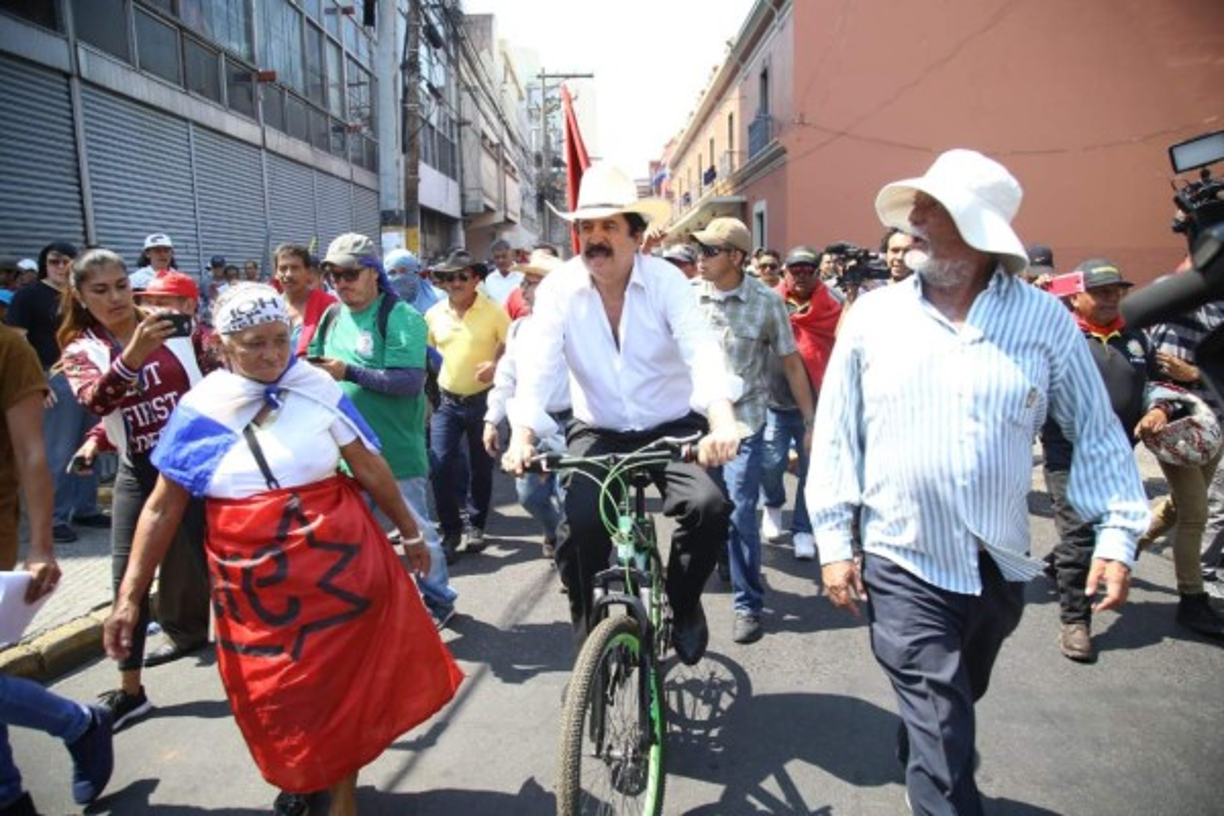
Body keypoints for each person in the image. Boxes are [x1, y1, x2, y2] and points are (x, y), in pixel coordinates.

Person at [809, 149, 1148, 815]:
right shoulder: (873, 317)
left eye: (930, 209)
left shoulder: (1045, 321)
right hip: (902, 556)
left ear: (976, 230)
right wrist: (833, 541)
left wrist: (1117, 533)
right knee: (942, 724)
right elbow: (837, 434)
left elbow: (1095, 432)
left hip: (997, 564)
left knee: (957, 697)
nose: (911, 221)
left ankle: (925, 740)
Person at [104, 284, 462, 816]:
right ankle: (305, 768)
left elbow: (368, 464)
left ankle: (341, 798)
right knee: (275, 690)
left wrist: (410, 532)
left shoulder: (315, 386)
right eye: (255, 344)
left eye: (280, 340)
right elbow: (161, 508)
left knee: (339, 683)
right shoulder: (202, 408)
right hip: (252, 581)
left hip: (338, 565)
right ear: (221, 345)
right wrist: (130, 597)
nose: (273, 355)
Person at [503, 162, 740, 665]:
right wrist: (521, 436)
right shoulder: (560, 288)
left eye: (609, 226)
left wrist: (721, 422)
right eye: (586, 227)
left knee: (709, 508)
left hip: (673, 426)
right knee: (578, 532)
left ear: (637, 235)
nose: (595, 238)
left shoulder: (666, 282)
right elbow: (538, 364)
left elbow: (701, 349)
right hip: (599, 429)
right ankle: (590, 650)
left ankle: (683, 601)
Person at [59, 248, 217, 729]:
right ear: (80, 296)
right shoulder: (81, 349)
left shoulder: (175, 327)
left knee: (220, 568)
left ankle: (259, 665)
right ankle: (131, 691)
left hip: (198, 467)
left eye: (121, 286)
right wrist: (97, 436)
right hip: (139, 474)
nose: (115, 298)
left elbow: (219, 376)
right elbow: (99, 401)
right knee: (126, 583)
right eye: (100, 290)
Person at [309, 233, 457, 628]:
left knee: (417, 530)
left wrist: (348, 371)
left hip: (394, 450)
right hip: (343, 452)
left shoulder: (400, 316)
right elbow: (313, 361)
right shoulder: (331, 315)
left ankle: (439, 599)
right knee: (353, 536)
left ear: (374, 272)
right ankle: (371, 606)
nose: (341, 283)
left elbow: (408, 381)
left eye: (350, 274)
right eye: (333, 275)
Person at [0, 326, 114, 814]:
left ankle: (75, 725)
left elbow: (32, 453)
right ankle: (76, 727)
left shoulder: (8, 348)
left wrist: (42, 546)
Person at [1040, 259, 1172, 661]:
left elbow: (1155, 383)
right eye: (1099, 292)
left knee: (1095, 532)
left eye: (1116, 291)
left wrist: (1159, 408)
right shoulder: (1059, 338)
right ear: (1075, 297)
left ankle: (1060, 563)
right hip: (1068, 454)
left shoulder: (1135, 337)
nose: (1110, 298)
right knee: (1079, 536)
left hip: (1118, 455)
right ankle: (1075, 621)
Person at [691, 217, 815, 645]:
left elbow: (791, 362)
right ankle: (723, 555)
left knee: (741, 511)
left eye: (709, 251)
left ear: (736, 257)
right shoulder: (687, 297)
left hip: (745, 422)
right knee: (704, 509)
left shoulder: (766, 303)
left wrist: (811, 420)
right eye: (699, 250)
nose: (700, 258)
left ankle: (748, 604)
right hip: (696, 422)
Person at [4, 241, 108, 544]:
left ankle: (86, 508)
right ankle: (54, 518)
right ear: (44, 264)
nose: (61, 267)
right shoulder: (29, 296)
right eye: (55, 261)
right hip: (54, 377)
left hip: (92, 373)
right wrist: (38, 381)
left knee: (91, 446)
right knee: (58, 450)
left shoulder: (81, 295)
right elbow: (19, 341)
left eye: (68, 261)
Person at [1146, 293, 1224, 636]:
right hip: (1179, 429)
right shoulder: (1177, 307)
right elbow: (1161, 379)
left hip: (1214, 428)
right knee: (1195, 513)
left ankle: (1105, 553)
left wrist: (1196, 373)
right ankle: (1192, 600)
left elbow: (1198, 373)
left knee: (1177, 508)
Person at [483, 249, 569, 559]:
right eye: (524, 282)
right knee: (529, 495)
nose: (523, 289)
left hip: (573, 424)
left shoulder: (580, 326)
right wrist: (492, 419)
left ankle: (570, 553)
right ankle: (554, 530)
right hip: (529, 426)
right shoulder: (519, 328)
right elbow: (506, 377)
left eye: (531, 282)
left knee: (571, 498)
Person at [425, 248, 510, 560]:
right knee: (439, 466)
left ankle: (476, 525)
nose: (456, 283)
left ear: (476, 279)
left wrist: (496, 365)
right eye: (449, 278)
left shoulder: (494, 311)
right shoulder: (434, 314)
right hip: (446, 402)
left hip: (484, 401)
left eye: (462, 276)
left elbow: (512, 345)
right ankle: (450, 531)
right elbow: (426, 354)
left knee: (481, 468)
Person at [759, 245, 842, 559]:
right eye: (796, 270)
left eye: (808, 270)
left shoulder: (834, 303)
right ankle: (773, 503)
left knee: (812, 470)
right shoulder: (769, 302)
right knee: (770, 463)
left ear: (818, 272)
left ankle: (803, 529)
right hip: (774, 401)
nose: (802, 276)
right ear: (785, 272)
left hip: (818, 404)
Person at [273, 243, 337, 358]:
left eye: (295, 268)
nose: (288, 274)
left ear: (308, 272)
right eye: (283, 268)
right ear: (276, 273)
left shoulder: (328, 305)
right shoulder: (270, 306)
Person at [480, 239, 522, 306]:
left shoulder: (523, 276)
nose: (500, 260)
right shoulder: (489, 280)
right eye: (497, 257)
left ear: (512, 256)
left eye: (504, 256)